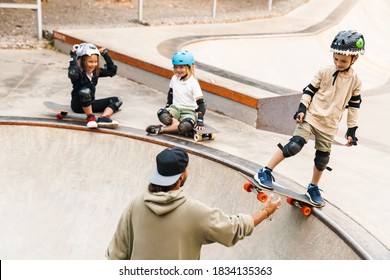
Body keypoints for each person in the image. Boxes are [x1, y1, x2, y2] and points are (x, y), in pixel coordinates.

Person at [106, 147, 281, 260]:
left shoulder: (135, 205)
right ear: (181, 176)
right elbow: (234, 228)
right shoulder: (195, 213)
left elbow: (116, 254)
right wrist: (266, 212)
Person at [254, 30, 365, 206]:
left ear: (355, 59)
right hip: (312, 116)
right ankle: (265, 171)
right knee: (295, 145)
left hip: (329, 125)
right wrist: (302, 108)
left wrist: (352, 129)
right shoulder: (324, 71)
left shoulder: (356, 81)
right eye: (335, 59)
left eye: (343, 61)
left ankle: (313, 187)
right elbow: (309, 91)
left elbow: (354, 107)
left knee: (322, 159)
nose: (338, 63)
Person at [146, 50, 207, 135]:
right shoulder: (174, 78)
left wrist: (200, 120)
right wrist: (167, 109)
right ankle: (177, 126)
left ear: (189, 67)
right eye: (176, 67)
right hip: (175, 109)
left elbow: (201, 104)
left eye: (181, 67)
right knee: (162, 114)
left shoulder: (193, 83)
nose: (178, 70)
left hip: (189, 112)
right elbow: (170, 95)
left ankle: (162, 129)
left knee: (185, 125)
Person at [68, 42, 122, 129]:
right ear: (82, 60)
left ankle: (104, 118)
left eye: (95, 61)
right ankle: (90, 118)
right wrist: (73, 58)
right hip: (77, 105)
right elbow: (72, 74)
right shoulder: (78, 72)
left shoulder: (95, 72)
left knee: (117, 100)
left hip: (90, 104)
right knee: (85, 91)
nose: (93, 65)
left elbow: (112, 71)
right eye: (90, 62)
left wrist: (105, 55)